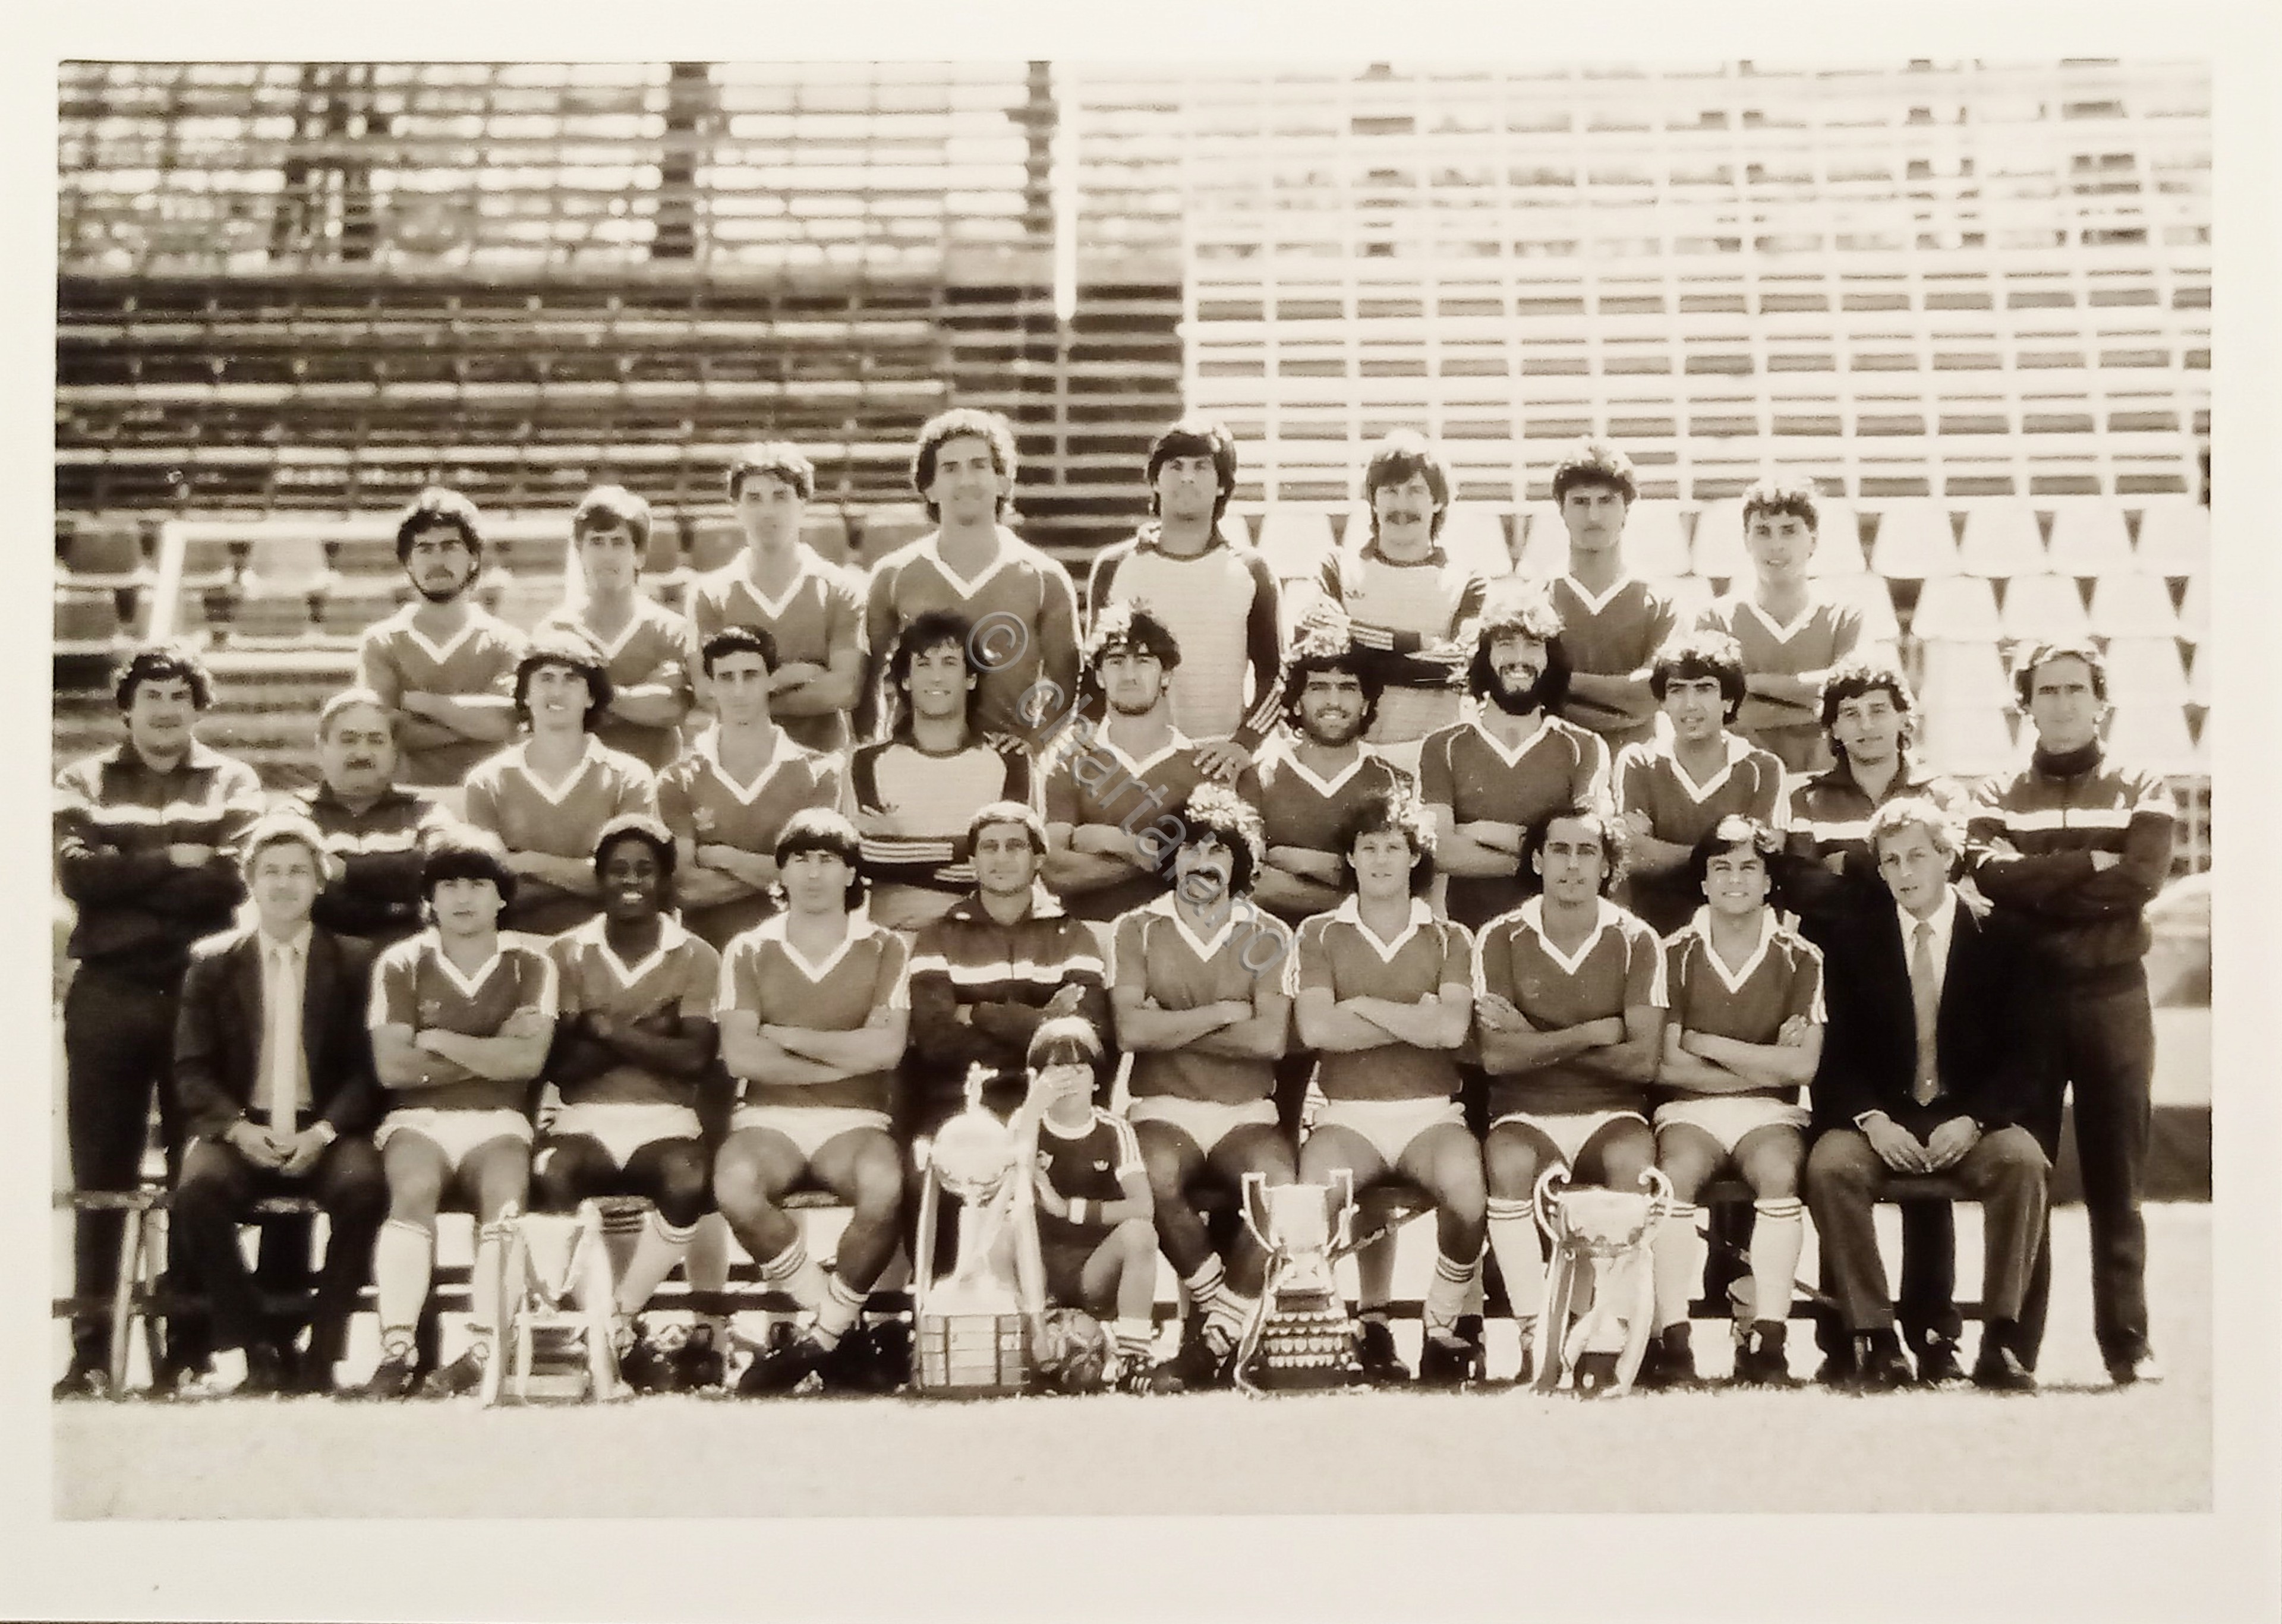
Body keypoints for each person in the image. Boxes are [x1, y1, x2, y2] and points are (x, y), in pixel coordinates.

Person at [53, 642, 264, 1396]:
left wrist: (129, 871)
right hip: (109, 992)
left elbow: (231, 880)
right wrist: (176, 860)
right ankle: (91, 1355)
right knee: (100, 1174)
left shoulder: (233, 779)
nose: (167, 709)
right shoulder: (82, 778)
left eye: (180, 696)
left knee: (194, 1174)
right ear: (126, 708)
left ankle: (189, 1351)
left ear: (199, 708)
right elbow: (77, 873)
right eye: (152, 696)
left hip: (199, 990)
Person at [1966, 638, 2174, 1386]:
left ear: (2101, 700)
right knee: (2026, 1174)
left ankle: (2129, 1345)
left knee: (2119, 1180)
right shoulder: (1995, 792)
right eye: (2047, 690)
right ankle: (2012, 1345)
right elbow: (1989, 879)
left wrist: (2037, 890)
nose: (2062, 702)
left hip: (2114, 995)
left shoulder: (2142, 784)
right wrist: (2087, 865)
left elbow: (2141, 880)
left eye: (2075, 689)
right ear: (2025, 704)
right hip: (2025, 1003)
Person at [1805, 798, 2053, 1393]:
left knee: (2024, 1162)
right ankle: (1877, 1339)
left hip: (1970, 1117)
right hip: (1882, 1117)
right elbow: (1834, 1057)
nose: (1905, 872)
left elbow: (2031, 1055)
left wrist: (1976, 1119)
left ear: (1948, 857)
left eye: (1917, 856)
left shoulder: (2003, 935)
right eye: (1891, 861)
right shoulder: (1851, 940)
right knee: (1831, 1168)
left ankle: (2001, 1340)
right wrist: (1872, 1120)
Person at [1777, 657, 1974, 1383]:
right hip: (1840, 990)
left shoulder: (1940, 792)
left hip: (1922, 977)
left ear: (1903, 717)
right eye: (1850, 713)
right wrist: (1887, 880)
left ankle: (1934, 1332)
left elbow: (1951, 877)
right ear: (1832, 726)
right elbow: (1799, 887)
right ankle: (1846, 1336)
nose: (1865, 725)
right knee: (1845, 1143)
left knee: (1926, 1143)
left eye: (1878, 710)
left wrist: (1848, 871)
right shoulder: (1803, 797)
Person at [168, 812, 387, 1396]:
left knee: (364, 1189)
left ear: (319, 882)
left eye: (298, 871)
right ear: (250, 881)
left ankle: (323, 1355)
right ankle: (255, 1347)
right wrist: (237, 1129)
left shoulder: (356, 961)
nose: (284, 883)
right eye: (270, 871)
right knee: (197, 1192)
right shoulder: (213, 961)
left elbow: (368, 1071)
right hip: (243, 1127)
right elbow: (191, 1068)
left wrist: (324, 1133)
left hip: (326, 1128)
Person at [1290, 790, 1485, 1385]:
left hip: (1430, 1115)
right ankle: (1339, 1331)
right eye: (1368, 847)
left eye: (1393, 847)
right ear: (1350, 856)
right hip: (1348, 1115)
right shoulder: (1318, 933)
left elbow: (1450, 1030)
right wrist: (1412, 1017)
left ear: (1414, 857)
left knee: (1467, 1196)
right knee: (1309, 1203)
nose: (1380, 859)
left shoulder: (1451, 937)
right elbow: (1317, 1029)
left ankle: (1441, 1324)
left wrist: (1362, 1005)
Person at [713, 810, 911, 1395]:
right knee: (735, 1186)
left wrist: (788, 1036)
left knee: (884, 1185)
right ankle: (837, 1331)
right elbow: (742, 1057)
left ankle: (817, 1340)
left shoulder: (886, 947)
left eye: (829, 859)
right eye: (801, 859)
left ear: (851, 872)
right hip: (768, 1120)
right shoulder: (748, 948)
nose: (815, 873)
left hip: (857, 1120)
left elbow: (887, 1050)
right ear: (781, 871)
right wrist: (845, 1054)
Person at [1471, 805, 1666, 1389]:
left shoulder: (1637, 939)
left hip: (1613, 1111)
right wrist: (1592, 1033)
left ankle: (1609, 1337)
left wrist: (1533, 1036)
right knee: (1507, 1161)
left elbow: (1642, 1060)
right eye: (1560, 850)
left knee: (1633, 1164)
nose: (1572, 865)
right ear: (1537, 860)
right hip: (1526, 1112)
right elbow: (1497, 1056)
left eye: (1587, 852)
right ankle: (1537, 1335)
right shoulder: (1499, 936)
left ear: (1607, 865)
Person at [362, 828, 557, 1399]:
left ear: (502, 896)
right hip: (418, 1119)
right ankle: (397, 1349)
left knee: (505, 1203)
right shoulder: (401, 962)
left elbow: (527, 1062)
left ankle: (483, 1348)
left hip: (500, 1120)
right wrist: (492, 1048)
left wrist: (440, 1038)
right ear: (430, 897)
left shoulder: (531, 964)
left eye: (477, 883)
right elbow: (394, 1069)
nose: (463, 897)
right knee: (414, 1190)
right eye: (448, 885)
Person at [1110, 789, 1294, 1387]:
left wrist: (1172, 1025)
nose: (1202, 863)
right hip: (1163, 1108)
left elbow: (1269, 1040)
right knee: (1150, 1177)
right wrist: (1221, 1013)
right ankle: (1226, 1323)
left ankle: (1208, 1340)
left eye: (1218, 851)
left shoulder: (1269, 934)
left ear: (1240, 863)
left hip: (1247, 1112)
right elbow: (1132, 1030)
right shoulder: (1135, 928)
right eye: (1190, 850)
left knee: (1282, 1196)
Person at [531, 816, 721, 1391]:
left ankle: (617, 1318)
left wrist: (605, 1028)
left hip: (666, 1120)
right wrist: (652, 1031)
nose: (631, 881)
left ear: (666, 879)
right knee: (551, 1171)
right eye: (617, 869)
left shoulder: (696, 954)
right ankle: (582, 1330)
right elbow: (562, 1067)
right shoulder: (565, 952)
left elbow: (694, 1059)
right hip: (582, 1118)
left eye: (645, 869)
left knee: (689, 1178)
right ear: (599, 878)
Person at [1640, 817, 1821, 1389]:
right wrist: (1763, 1060)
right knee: (1674, 1176)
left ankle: (1769, 1340)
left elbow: (1802, 1068)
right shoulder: (1672, 952)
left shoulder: (1802, 955)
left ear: (1769, 881)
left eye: (1749, 867)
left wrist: (1708, 1043)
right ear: (1704, 882)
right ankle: (1674, 1340)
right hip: (1688, 1111)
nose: (1735, 879)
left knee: (1779, 1173)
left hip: (1771, 1113)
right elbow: (1666, 1067)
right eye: (1721, 867)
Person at [904, 802, 1112, 1266]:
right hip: (962, 1098)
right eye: (989, 847)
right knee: (927, 1177)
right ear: (973, 860)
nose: (1001, 858)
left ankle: (1059, 1304)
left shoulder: (1072, 935)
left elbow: (1085, 1037)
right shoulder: (938, 936)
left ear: (1038, 857)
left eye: (1015, 846)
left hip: (1055, 1099)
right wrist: (1043, 1019)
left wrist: (979, 1011)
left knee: (1079, 1175)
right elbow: (937, 1041)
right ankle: (947, 1302)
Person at [859, 408, 1080, 750]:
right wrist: (874, 752)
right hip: (916, 763)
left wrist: (1033, 750)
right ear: (929, 488)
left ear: (1003, 481)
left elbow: (1068, 684)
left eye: (979, 465)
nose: (966, 480)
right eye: (950, 468)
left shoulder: (1044, 577)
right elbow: (866, 681)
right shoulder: (894, 574)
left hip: (1005, 769)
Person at [1085, 415, 1283, 779]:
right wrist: (1087, 743)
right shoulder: (1115, 566)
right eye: (1175, 466)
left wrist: (1245, 743)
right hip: (1134, 766)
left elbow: (1275, 676)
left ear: (1222, 484)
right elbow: (1092, 672)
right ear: (1155, 480)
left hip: (1217, 764)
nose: (1187, 477)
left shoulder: (1251, 570)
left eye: (1201, 467)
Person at [1041, 602, 1263, 925]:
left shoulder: (1208, 765)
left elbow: (1232, 879)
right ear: (1099, 676)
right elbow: (1055, 872)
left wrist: (1115, 842)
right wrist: (1165, 856)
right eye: (1116, 662)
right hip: (1090, 936)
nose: (1129, 675)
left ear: (1167, 674)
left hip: (1180, 939)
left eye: (1144, 661)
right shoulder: (1072, 762)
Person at [1420, 597, 1609, 934]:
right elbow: (1442, 850)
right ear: (1484, 657)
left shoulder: (1584, 747)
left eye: (1533, 646)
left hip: (1556, 935)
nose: (1520, 659)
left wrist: (1481, 832)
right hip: (1468, 933)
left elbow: (1585, 848)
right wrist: (1539, 861)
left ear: (1550, 659)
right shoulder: (1442, 746)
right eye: (1506, 645)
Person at [657, 626, 845, 951]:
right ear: (711, 686)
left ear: (772, 680)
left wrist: (725, 857)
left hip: (796, 956)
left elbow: (820, 880)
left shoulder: (821, 773)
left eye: (751, 675)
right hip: (709, 958)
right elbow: (686, 889)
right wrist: (783, 871)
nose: (739, 690)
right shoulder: (677, 779)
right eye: (726, 678)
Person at [462, 627, 660, 936]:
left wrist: (529, 863)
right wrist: (582, 874)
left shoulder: (630, 777)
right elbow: (487, 885)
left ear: (591, 696)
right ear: (525, 694)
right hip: (516, 940)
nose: (557, 691)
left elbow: (628, 882)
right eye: (546, 678)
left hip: (607, 942)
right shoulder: (487, 781)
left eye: (571, 679)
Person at [1312, 431, 1486, 776]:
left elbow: (1458, 665)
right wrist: (1418, 643)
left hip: (1433, 764)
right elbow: (1321, 652)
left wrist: (1356, 645)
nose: (1401, 505)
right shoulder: (1337, 567)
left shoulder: (1468, 581)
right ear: (1373, 500)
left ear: (1438, 501)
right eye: (1390, 491)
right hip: (1346, 761)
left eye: (1415, 491)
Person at [847, 612, 1032, 935]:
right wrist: (971, 848)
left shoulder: (1011, 762)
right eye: (923, 664)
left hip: (984, 939)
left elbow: (1013, 864)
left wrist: (899, 845)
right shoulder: (866, 762)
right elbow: (865, 856)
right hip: (896, 940)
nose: (936, 677)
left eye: (949, 663)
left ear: (971, 678)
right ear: (906, 680)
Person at [1015, 1017, 1168, 1392]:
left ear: (1097, 1080)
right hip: (1036, 1266)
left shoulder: (1114, 1130)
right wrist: (1032, 1111)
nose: (1068, 1079)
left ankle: (1133, 1360)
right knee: (1003, 1233)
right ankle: (1017, 1348)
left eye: (1079, 1069)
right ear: (1036, 1078)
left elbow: (1143, 1206)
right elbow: (1005, 1182)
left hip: (1092, 1269)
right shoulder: (1026, 1122)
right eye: (1056, 1069)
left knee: (1140, 1234)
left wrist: (1067, 1208)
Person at [686, 443, 864, 756]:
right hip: (739, 763)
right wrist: (784, 679)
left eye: (780, 496)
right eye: (754, 498)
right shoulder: (710, 593)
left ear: (803, 503)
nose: (767, 511)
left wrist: (744, 695)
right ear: (736, 507)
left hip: (820, 764)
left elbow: (843, 690)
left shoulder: (840, 588)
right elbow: (708, 693)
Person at [1612, 629, 1787, 938]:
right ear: (1663, 702)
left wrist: (1665, 853)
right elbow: (1635, 856)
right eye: (1677, 690)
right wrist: (1725, 856)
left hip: (1734, 935)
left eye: (1704, 689)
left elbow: (1760, 863)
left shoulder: (1763, 768)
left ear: (1728, 700)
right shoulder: (1638, 761)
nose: (1690, 704)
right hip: (1655, 930)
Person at [1250, 606, 1414, 930]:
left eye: (1348, 688)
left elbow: (1401, 888)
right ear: (1297, 702)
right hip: (1272, 946)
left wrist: (1295, 860)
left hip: (1360, 950)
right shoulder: (1259, 776)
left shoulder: (1395, 783)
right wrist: (1352, 883)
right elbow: (1253, 885)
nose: (1334, 702)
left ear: (1366, 703)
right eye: (1319, 687)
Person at [1696, 475, 1873, 774]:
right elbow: (1713, 709)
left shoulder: (1845, 617)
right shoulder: (1716, 619)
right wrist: (1815, 706)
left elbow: (1852, 698)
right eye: (1763, 532)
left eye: (1789, 531)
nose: (1776, 545)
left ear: (1813, 540)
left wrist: (1755, 685)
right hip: (1743, 781)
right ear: (1746, 540)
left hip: (1827, 780)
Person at [356, 485, 525, 789]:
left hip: (488, 802)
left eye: (449, 547)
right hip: (407, 800)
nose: (437, 559)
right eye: (424, 548)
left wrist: (425, 704)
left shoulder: (507, 642)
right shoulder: (381, 642)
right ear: (408, 562)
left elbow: (506, 722)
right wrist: (472, 723)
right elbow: (386, 732)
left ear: (474, 558)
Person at [536, 484, 694, 772]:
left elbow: (670, 708)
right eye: (597, 542)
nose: (607, 555)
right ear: (580, 551)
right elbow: (548, 715)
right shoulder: (554, 632)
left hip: (656, 782)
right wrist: (634, 699)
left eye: (619, 542)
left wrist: (588, 693)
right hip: (576, 782)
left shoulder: (672, 631)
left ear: (640, 555)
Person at [289, 688, 455, 950]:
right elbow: (294, 884)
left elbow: (442, 868)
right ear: (321, 747)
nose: (362, 753)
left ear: (394, 750)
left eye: (376, 741)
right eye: (348, 740)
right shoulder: (294, 813)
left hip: (409, 959)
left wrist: (345, 871)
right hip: (319, 960)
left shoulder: (425, 813)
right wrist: (396, 902)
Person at [1545, 440, 1679, 752]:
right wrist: (1619, 700)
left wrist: (1557, 682)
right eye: (1581, 502)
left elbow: (1652, 693)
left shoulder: (1662, 603)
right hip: (1555, 764)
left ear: (1626, 510)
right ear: (1562, 510)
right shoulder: (1536, 601)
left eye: (1606, 501)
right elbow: (1527, 692)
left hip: (1638, 765)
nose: (1593, 516)